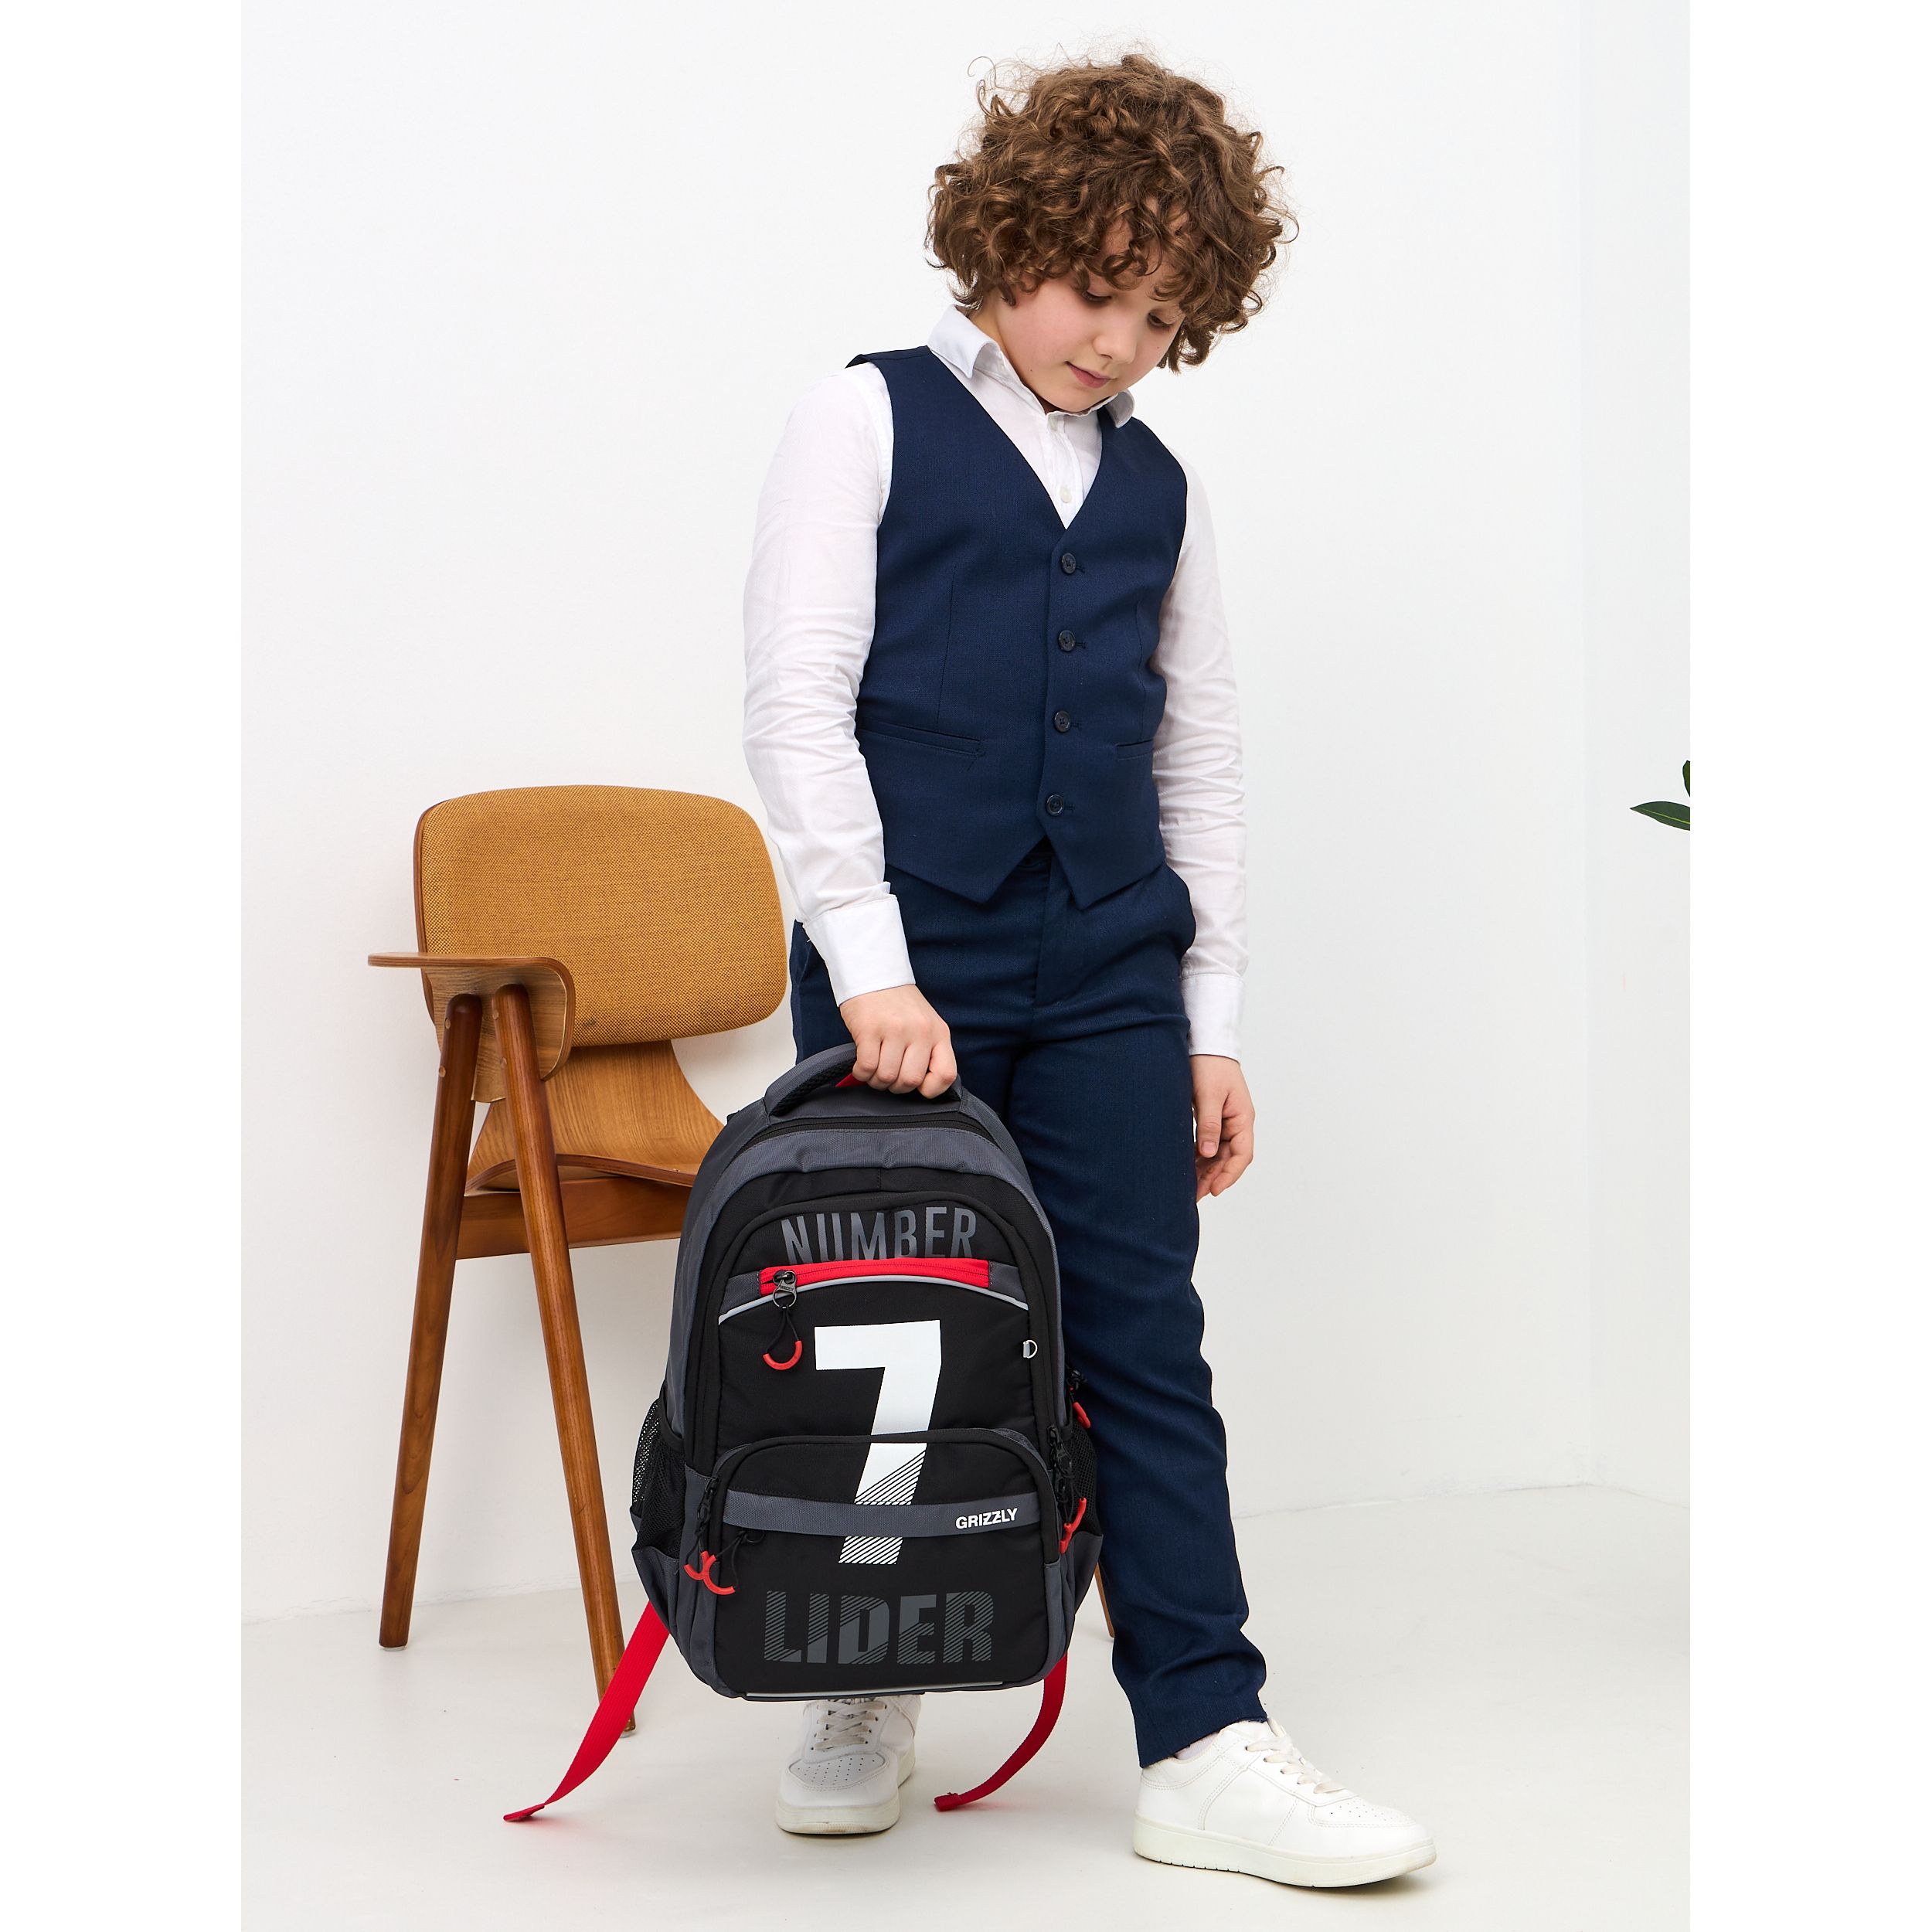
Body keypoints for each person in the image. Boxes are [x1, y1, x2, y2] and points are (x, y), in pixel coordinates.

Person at [740, 50, 1434, 1889]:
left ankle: (1203, 1729)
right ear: (1006, 238)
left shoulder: (1160, 488)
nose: (1118, 341)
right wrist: (869, 964)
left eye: (1159, 314)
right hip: (913, 963)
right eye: (1091, 289)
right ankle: (859, 1672)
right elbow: (797, 705)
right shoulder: (863, 416)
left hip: (1113, 963)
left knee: (1140, 1338)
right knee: (896, 1315)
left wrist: (1210, 1020)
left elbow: (1195, 754)